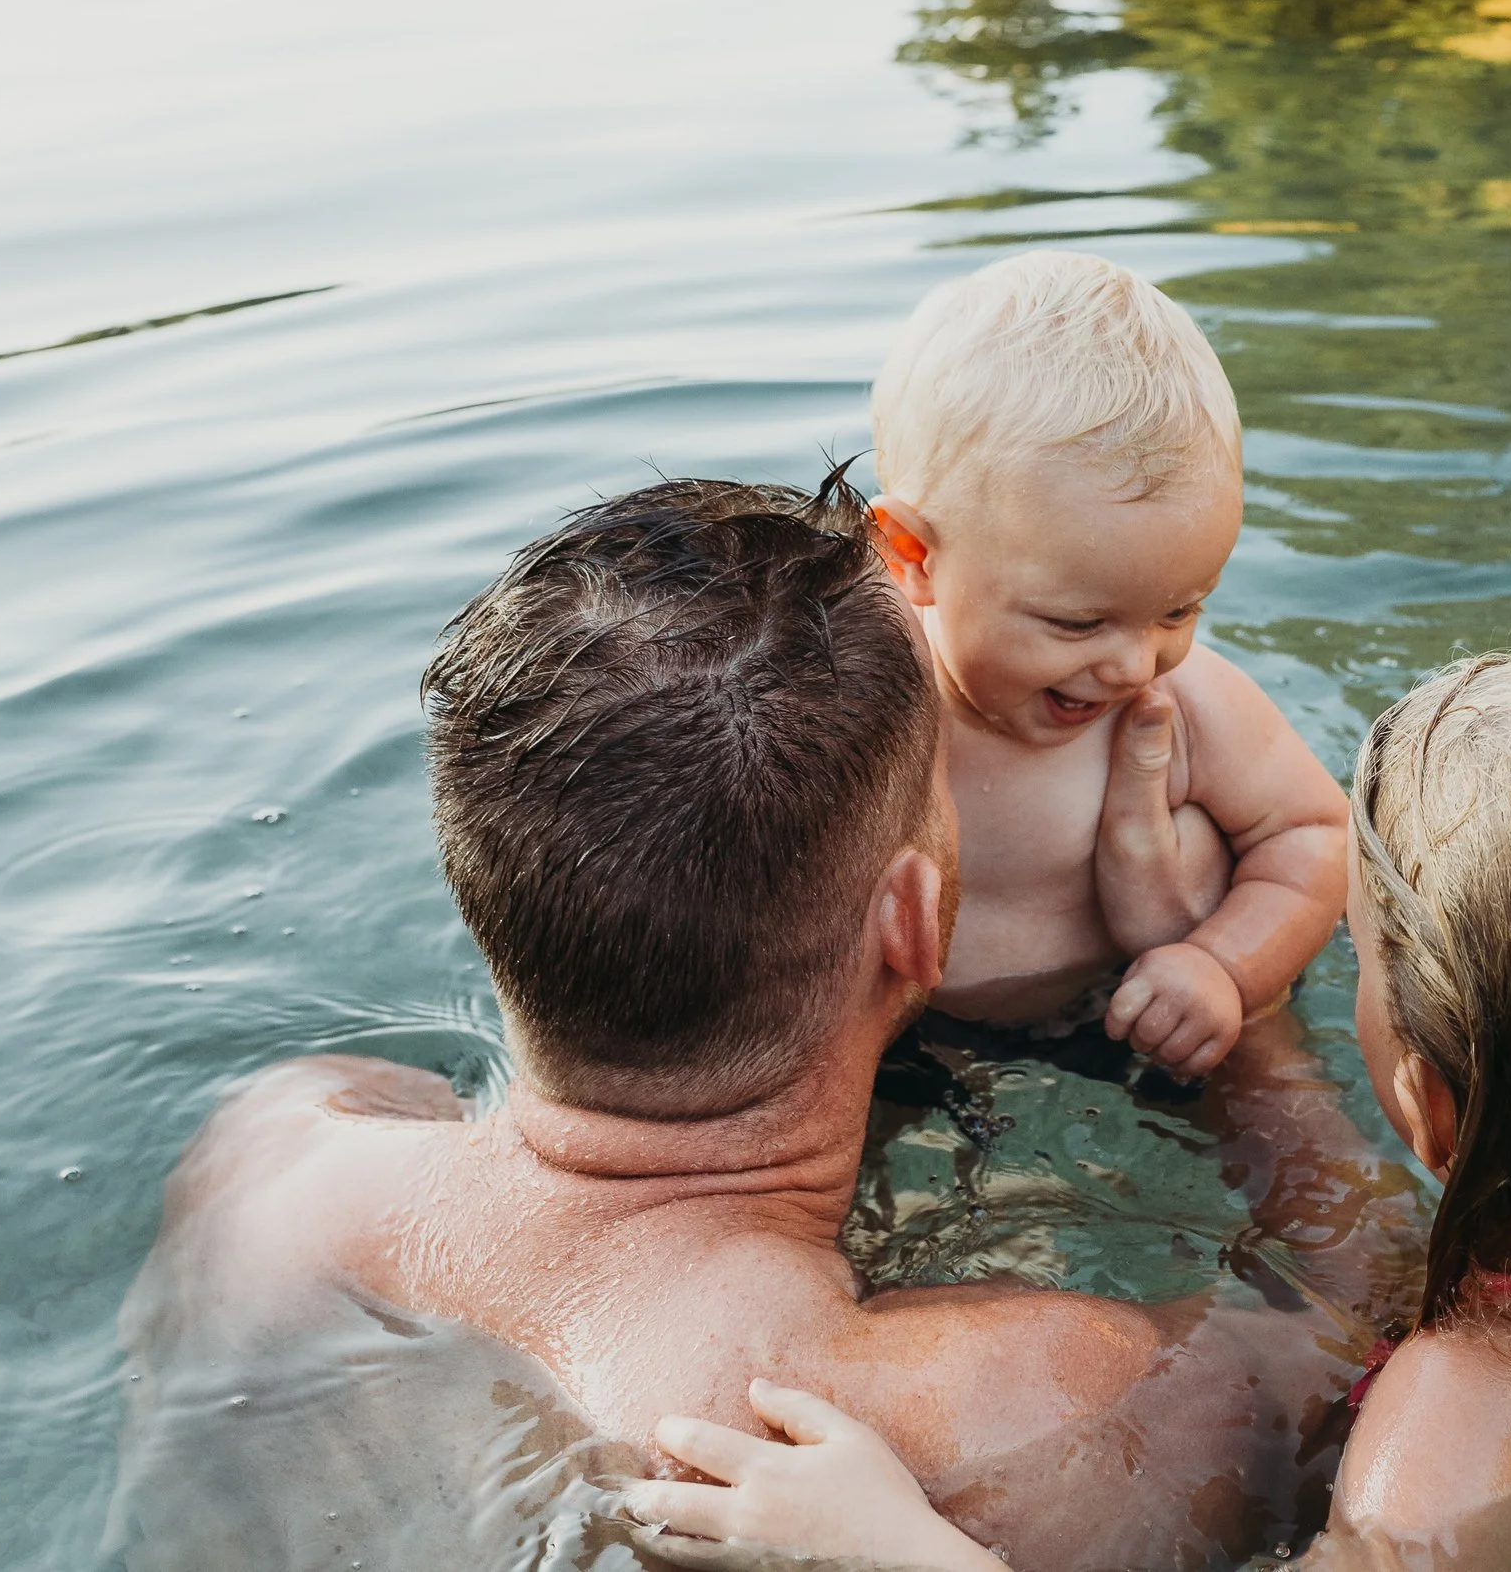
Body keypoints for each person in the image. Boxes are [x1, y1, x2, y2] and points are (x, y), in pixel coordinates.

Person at [109, 476, 1417, 1572]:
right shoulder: (1022, 1403)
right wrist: (1239, 1016)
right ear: (912, 920)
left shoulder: (270, 1152)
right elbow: (1394, 1368)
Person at [619, 659, 1511, 1572]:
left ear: (1421, 1093)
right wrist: (1225, 1001)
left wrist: (892, 1550)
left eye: (1350, 954)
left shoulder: (1452, 1441)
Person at [868, 250, 1350, 1077]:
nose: (1135, 664)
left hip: (1142, 1009)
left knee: (1287, 1115)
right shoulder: (852, 697)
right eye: (1078, 620)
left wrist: (1224, 966)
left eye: (1180, 609)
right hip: (900, 1043)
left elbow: (1314, 831)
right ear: (912, 556)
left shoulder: (1187, 702)